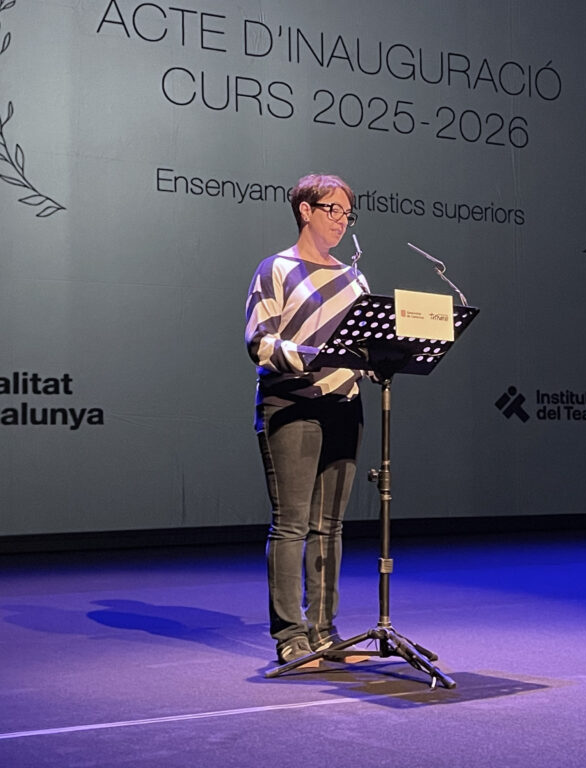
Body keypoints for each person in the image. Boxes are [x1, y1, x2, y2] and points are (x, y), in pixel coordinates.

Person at [244, 173, 368, 666]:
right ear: (305, 210)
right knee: (292, 525)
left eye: (347, 213)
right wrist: (317, 357)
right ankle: (291, 636)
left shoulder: (355, 279)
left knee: (329, 526)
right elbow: (260, 342)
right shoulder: (276, 269)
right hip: (291, 405)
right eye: (332, 209)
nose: (341, 220)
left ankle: (324, 631)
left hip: (344, 406)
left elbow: (362, 347)